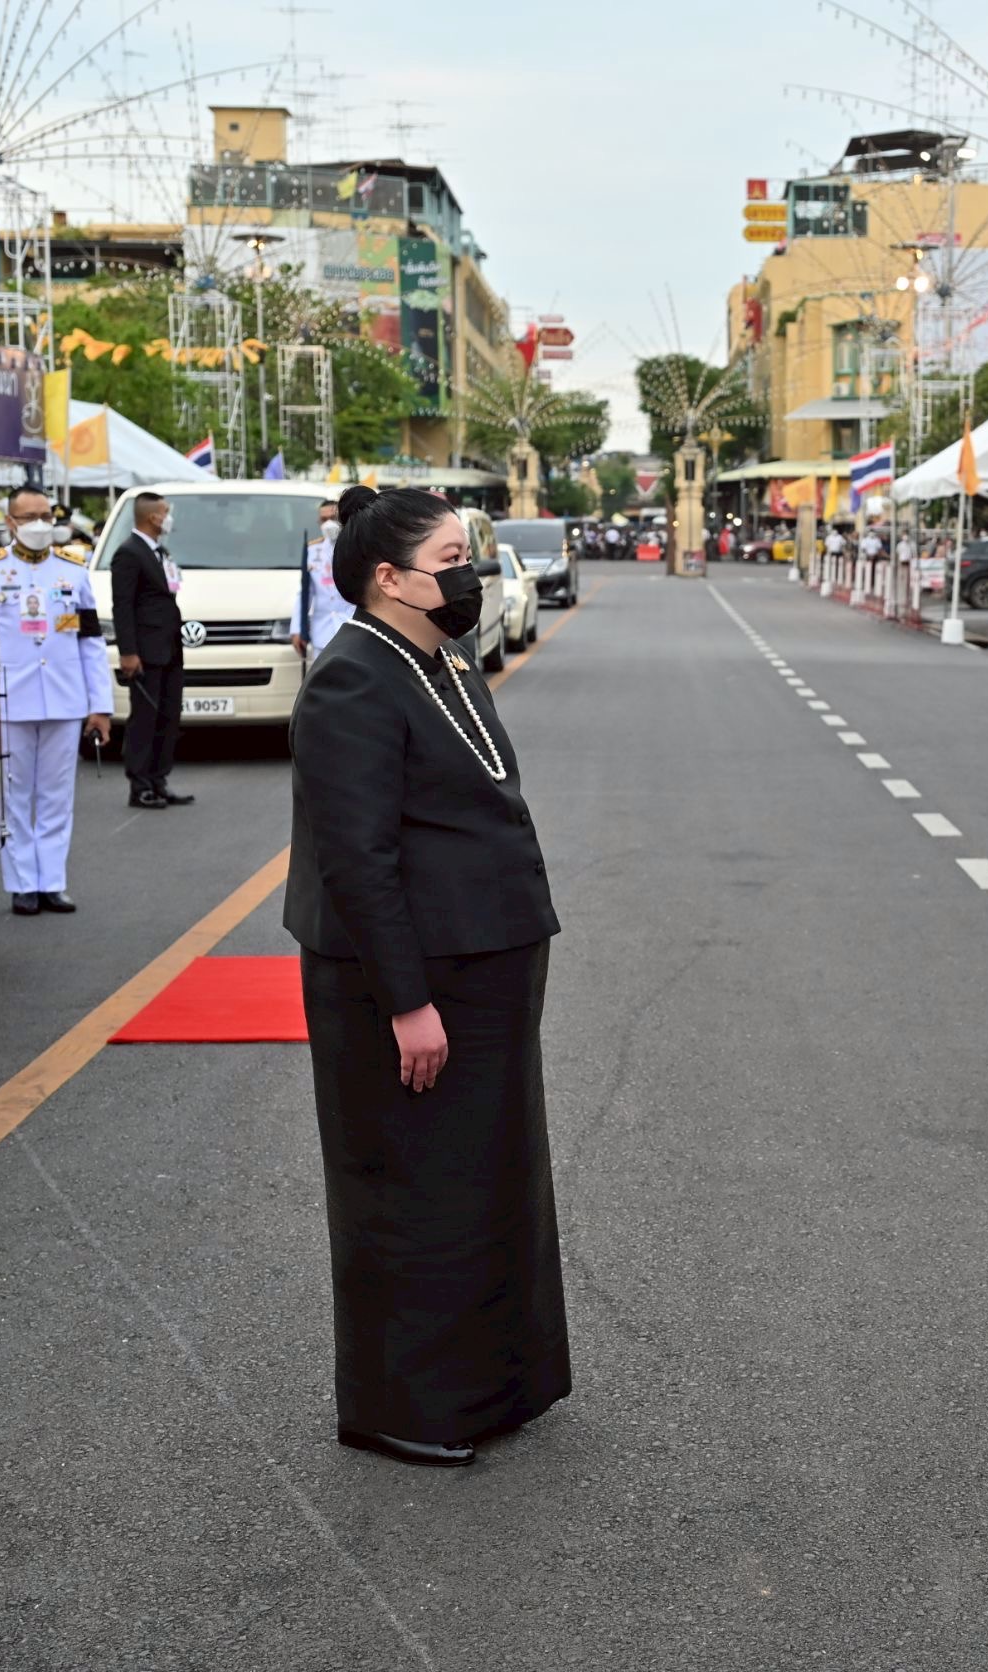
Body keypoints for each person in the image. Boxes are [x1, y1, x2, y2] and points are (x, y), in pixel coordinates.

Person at [284, 484, 568, 1469]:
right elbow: (357, 862)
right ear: (389, 578)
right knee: (412, 1193)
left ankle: (493, 1383)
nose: (469, 574)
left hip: (483, 962)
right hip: (411, 980)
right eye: (450, 559)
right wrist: (408, 1002)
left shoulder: (438, 654)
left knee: (487, 1181)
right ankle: (399, 1405)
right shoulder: (354, 678)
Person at [0, 486, 112, 916]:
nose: (40, 524)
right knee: (13, 795)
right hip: (9, 703)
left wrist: (99, 704)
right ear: (10, 522)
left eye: (46, 515)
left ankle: (53, 881)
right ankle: (23, 883)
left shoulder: (73, 569)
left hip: (65, 699)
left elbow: (90, 642)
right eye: (29, 517)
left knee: (56, 794)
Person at [109, 491, 190, 809]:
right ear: (153, 517)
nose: (169, 518)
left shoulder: (159, 552)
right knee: (144, 719)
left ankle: (159, 780)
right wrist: (128, 652)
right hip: (145, 652)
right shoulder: (129, 553)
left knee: (168, 717)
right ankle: (140, 785)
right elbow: (122, 606)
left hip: (169, 649)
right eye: (165, 512)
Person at [290, 498, 350, 659]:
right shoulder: (312, 550)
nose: (329, 523)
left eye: (333, 518)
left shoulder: (355, 548)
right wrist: (297, 628)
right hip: (322, 631)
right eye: (324, 519)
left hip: (351, 627)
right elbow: (305, 592)